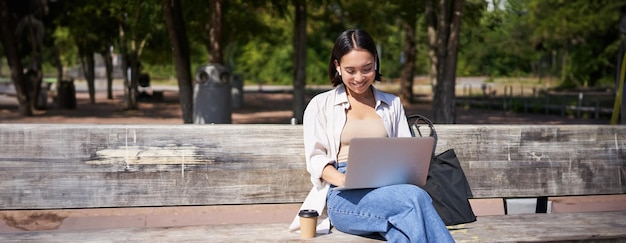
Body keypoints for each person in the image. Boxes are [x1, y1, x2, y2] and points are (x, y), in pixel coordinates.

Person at [289, 29, 454, 242]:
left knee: (403, 232)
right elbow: (316, 161)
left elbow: (405, 154)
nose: (359, 78)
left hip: (389, 188)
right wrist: (347, 180)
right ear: (337, 66)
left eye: (366, 69)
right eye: (350, 70)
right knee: (415, 198)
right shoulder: (320, 105)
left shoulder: (392, 104)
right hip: (344, 195)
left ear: (376, 61)